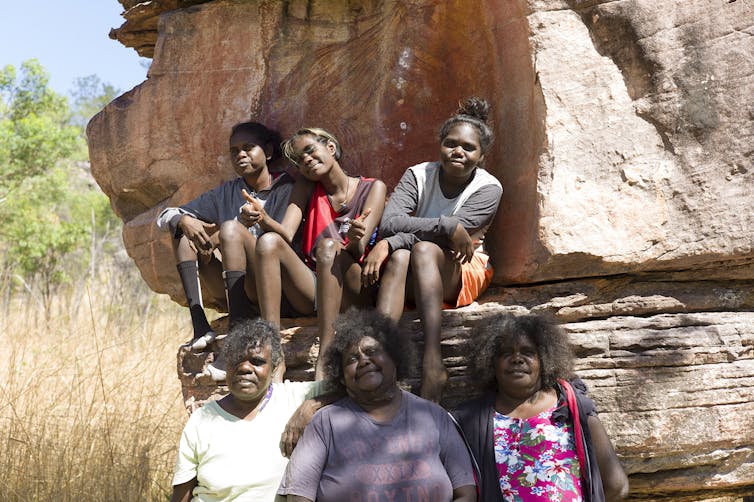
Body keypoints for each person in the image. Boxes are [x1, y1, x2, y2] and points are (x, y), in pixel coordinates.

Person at [362, 97, 503, 402]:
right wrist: (447, 225)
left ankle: (432, 361)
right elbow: (389, 221)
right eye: (451, 143)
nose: (458, 152)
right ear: (440, 144)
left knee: (421, 249)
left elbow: (438, 242)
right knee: (402, 256)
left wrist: (392, 241)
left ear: (481, 155)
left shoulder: (488, 189)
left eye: (469, 148)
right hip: (415, 274)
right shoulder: (418, 175)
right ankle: (380, 351)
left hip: (462, 270)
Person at [277, 308, 477, 502]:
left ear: (395, 358)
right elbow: (298, 496)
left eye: (372, 351)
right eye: (352, 359)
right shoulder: (324, 423)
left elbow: (466, 493)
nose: (363, 361)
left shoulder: (434, 416)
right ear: (342, 377)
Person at [156, 122, 295, 378]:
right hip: (239, 289)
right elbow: (166, 215)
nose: (240, 155)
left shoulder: (289, 189)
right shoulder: (228, 191)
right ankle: (200, 326)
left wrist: (246, 225)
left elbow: (288, 242)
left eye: (248, 148)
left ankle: (237, 339)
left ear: (268, 151)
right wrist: (182, 220)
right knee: (184, 230)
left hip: (276, 287)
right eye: (234, 151)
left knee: (231, 229)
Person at [451, 314, 629, 501]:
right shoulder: (470, 420)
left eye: (527, 352)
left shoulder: (570, 406)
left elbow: (617, 485)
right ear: (490, 362)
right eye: (505, 353)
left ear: (544, 360)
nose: (517, 359)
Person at [254, 128, 386, 378]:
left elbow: (358, 250)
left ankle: (326, 357)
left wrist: (357, 238)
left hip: (355, 286)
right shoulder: (306, 187)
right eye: (299, 160)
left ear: (331, 148)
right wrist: (264, 220)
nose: (306, 160)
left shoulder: (372, 188)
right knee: (268, 242)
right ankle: (273, 351)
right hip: (316, 285)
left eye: (309, 150)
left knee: (328, 246)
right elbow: (286, 234)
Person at [170, 318, 333, 502]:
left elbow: (357, 391)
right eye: (236, 360)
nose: (245, 368)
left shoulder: (295, 397)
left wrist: (311, 405)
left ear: (274, 368)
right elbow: (181, 496)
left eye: (257, 361)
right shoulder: (201, 420)